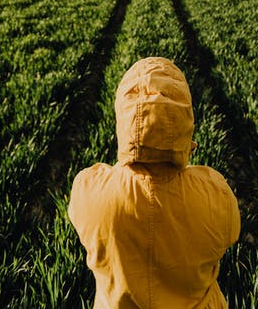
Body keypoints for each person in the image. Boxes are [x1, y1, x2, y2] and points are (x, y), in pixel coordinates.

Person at [68, 56, 241, 308]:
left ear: (122, 120)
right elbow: (231, 233)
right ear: (185, 120)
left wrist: (132, 154)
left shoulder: (88, 192)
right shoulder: (216, 194)